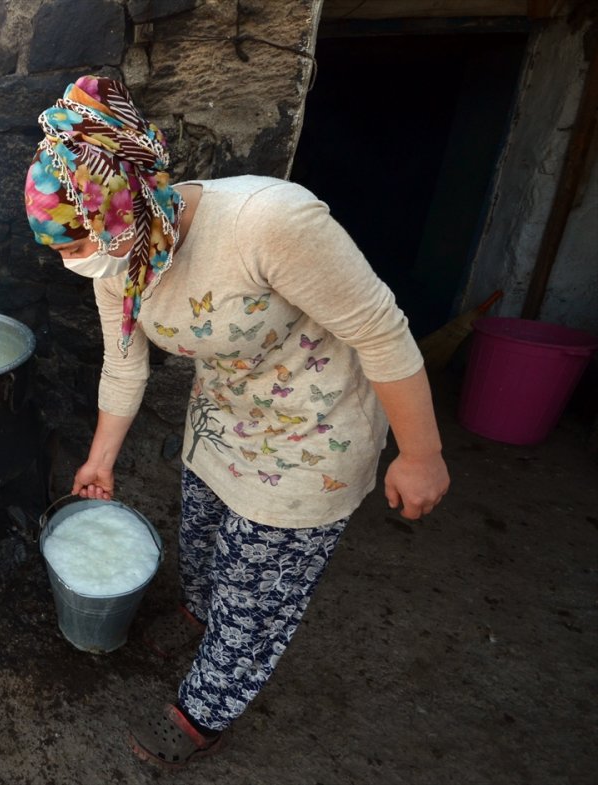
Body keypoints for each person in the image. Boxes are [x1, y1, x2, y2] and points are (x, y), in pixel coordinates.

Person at [24, 76, 450, 767]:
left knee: (258, 592)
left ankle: (205, 709)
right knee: (201, 539)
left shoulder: (267, 223)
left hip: (314, 436)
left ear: (125, 205)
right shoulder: (119, 257)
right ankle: (199, 613)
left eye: (77, 244)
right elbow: (125, 365)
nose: (74, 262)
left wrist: (421, 451)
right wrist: (100, 459)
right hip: (224, 419)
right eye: (60, 249)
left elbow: (381, 331)